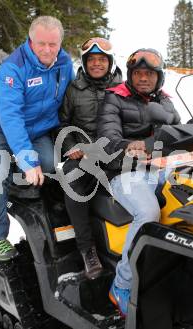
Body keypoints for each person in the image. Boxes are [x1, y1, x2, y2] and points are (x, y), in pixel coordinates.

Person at [0, 16, 74, 261]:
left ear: (60, 43)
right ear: (30, 41)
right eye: (41, 43)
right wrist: (25, 158)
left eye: (52, 44)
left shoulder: (64, 63)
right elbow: (10, 117)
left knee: (50, 164)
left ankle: (24, 185)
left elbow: (74, 96)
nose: (47, 49)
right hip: (1, 128)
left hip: (39, 130)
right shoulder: (13, 67)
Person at [97, 48, 181, 316]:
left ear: (159, 77)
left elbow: (180, 130)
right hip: (124, 172)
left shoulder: (166, 101)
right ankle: (121, 285)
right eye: (138, 73)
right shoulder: (114, 98)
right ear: (131, 76)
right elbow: (108, 139)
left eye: (149, 74)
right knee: (148, 212)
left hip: (161, 168)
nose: (143, 78)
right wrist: (132, 146)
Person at [58, 37, 122, 279]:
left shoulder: (121, 86)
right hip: (84, 152)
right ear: (85, 63)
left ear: (110, 61)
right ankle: (88, 250)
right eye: (91, 60)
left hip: (115, 149)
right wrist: (71, 146)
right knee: (71, 181)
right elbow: (62, 123)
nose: (97, 64)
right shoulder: (74, 90)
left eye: (101, 59)